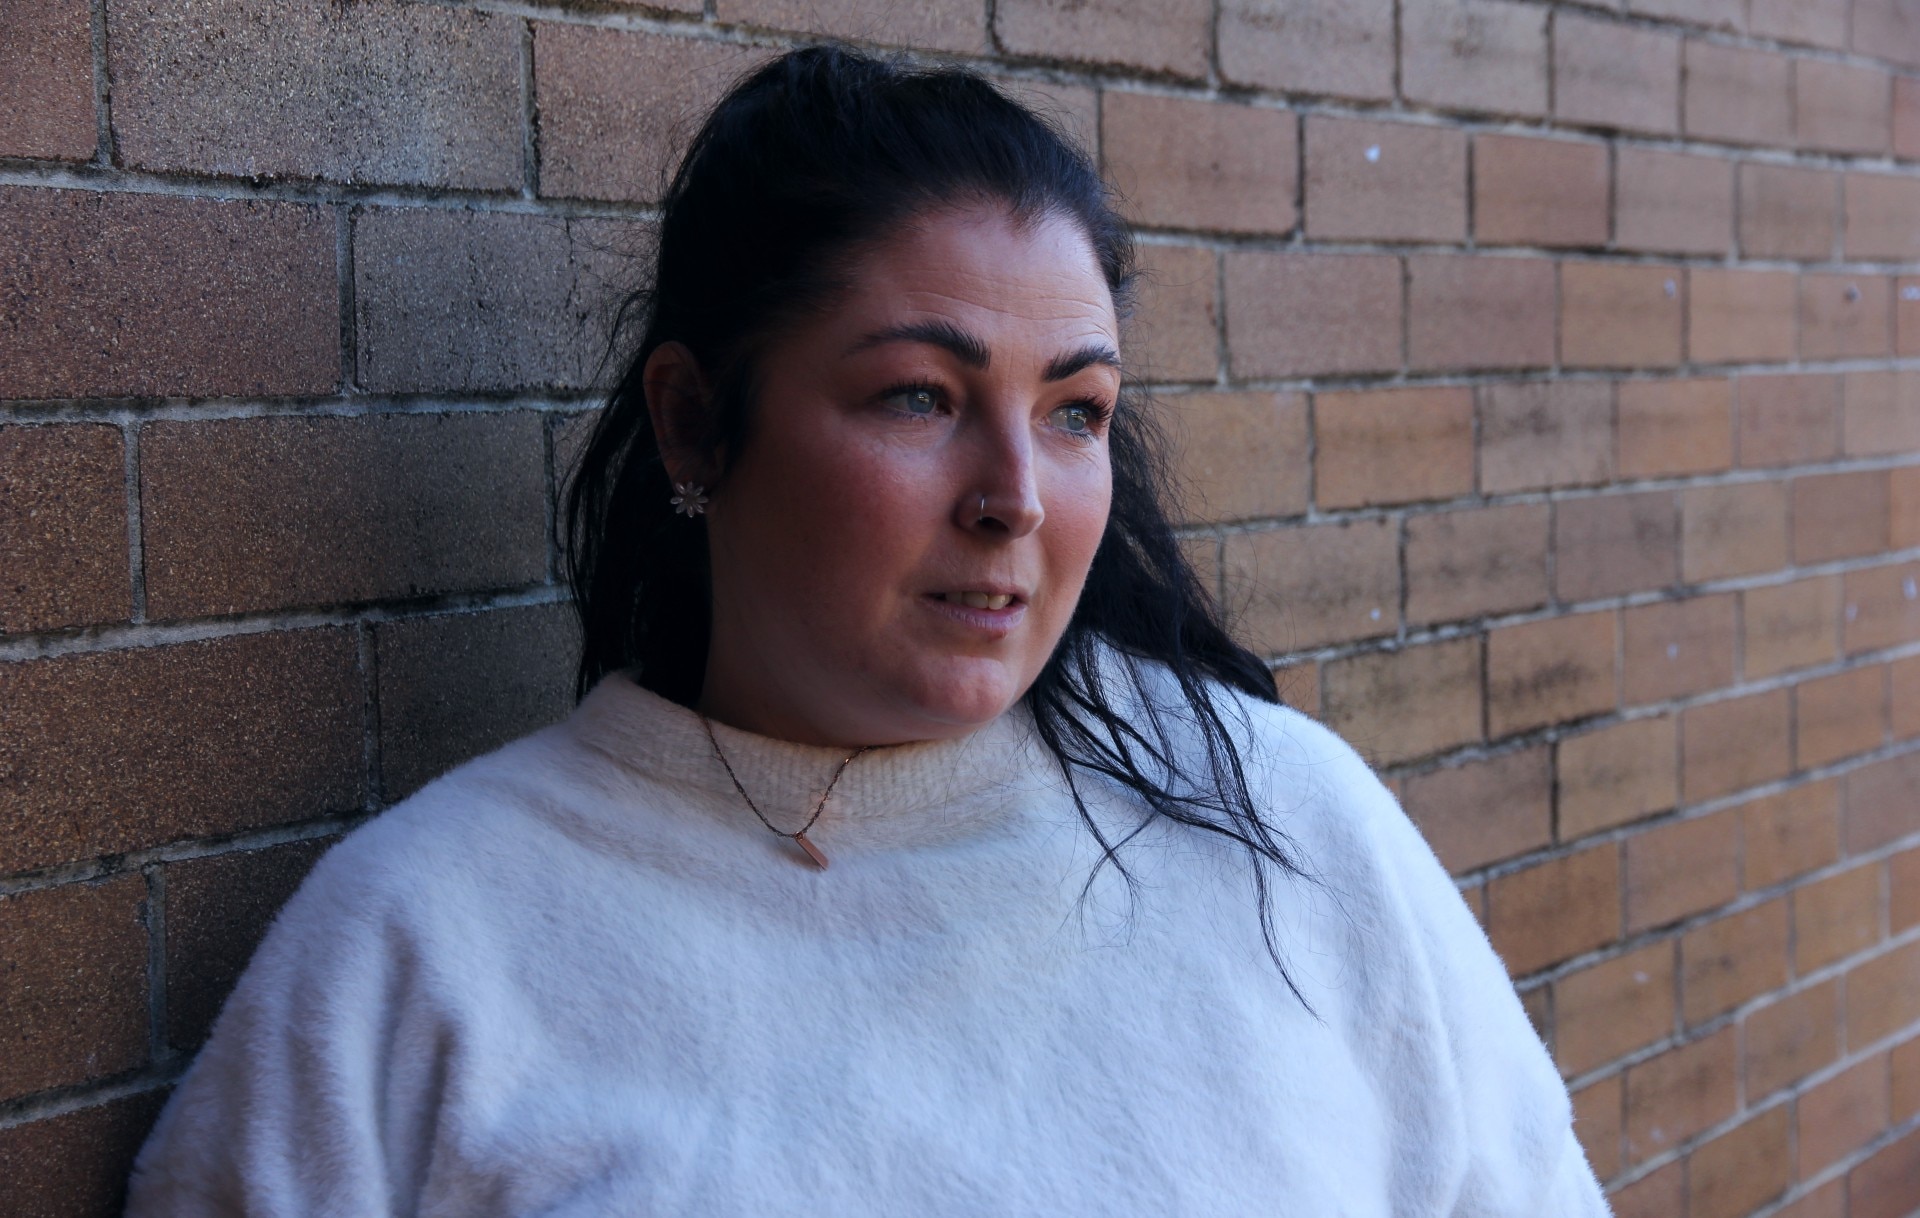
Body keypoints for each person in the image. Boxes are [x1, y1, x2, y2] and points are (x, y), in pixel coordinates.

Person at [127, 46, 1611, 1216]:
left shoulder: (1286, 832)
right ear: (697, 422)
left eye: (1075, 411)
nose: (1016, 499)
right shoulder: (421, 951)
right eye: (919, 396)